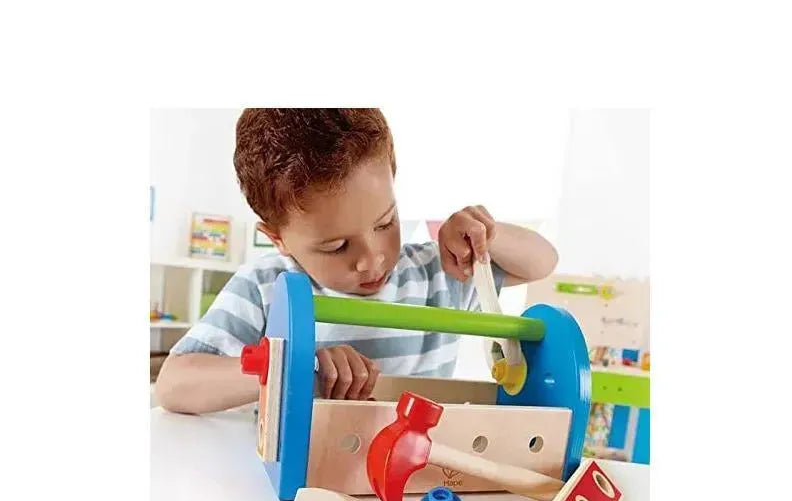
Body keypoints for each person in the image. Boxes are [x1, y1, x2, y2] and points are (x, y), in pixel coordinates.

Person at [156, 108, 558, 413]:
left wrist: (487, 234)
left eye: (385, 223)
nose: (371, 259)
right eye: (336, 246)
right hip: (304, 483)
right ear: (278, 239)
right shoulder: (267, 287)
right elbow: (173, 384)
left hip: (417, 480)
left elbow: (542, 262)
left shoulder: (439, 272)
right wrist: (291, 365)